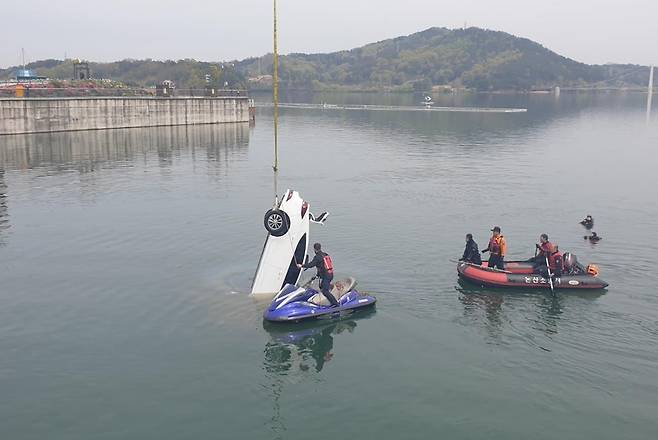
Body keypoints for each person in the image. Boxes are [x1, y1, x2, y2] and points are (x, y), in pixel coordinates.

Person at [298, 243, 339, 307]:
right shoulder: (325, 254)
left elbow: (311, 265)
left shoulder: (317, 257)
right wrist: (318, 275)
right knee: (322, 287)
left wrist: (301, 266)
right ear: (320, 248)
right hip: (330, 274)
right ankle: (328, 299)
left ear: (314, 249)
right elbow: (322, 266)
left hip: (326, 276)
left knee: (325, 291)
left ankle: (336, 304)